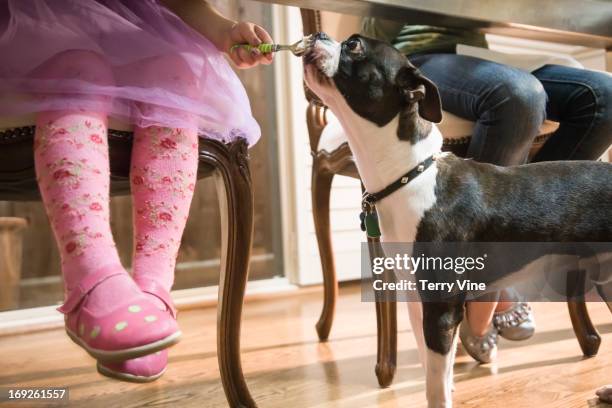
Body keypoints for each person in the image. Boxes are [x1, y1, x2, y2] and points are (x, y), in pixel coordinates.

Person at [0, 0, 273, 382]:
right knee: (78, 69)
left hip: (128, 31)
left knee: (173, 73)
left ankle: (151, 291)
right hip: (28, 35)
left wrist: (223, 30)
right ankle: (91, 280)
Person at [362, 18, 612, 363]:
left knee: (604, 98)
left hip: (475, 53)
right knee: (518, 95)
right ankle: (490, 279)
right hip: (416, 54)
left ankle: (515, 250)